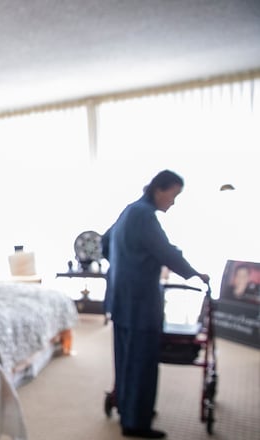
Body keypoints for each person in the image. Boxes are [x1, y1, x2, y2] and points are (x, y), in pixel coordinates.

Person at [101, 169, 210, 439]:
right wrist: (195, 273)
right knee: (142, 362)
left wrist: (124, 265)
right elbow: (165, 251)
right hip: (139, 303)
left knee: (125, 359)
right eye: (174, 195)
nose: (173, 202)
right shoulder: (145, 215)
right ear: (160, 189)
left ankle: (128, 409)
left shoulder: (129, 210)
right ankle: (137, 423)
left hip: (121, 297)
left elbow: (105, 243)